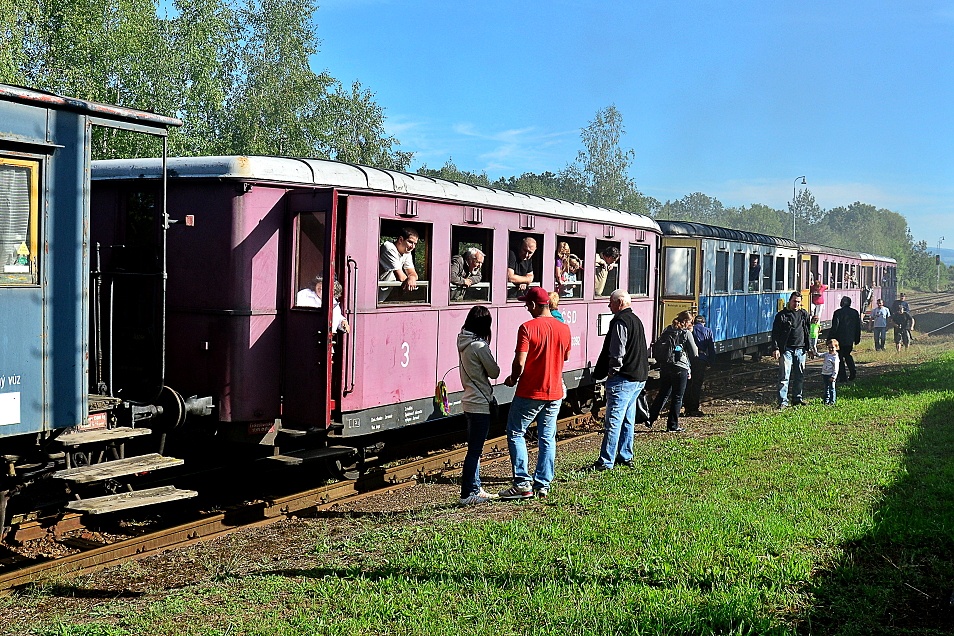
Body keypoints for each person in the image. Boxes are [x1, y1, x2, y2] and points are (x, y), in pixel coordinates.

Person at [499, 287, 572, 500]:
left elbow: (519, 361)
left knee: (515, 432)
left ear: (533, 305)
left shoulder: (527, 328)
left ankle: (522, 483)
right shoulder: (564, 329)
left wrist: (513, 378)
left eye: (526, 305)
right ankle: (543, 484)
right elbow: (565, 357)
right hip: (555, 392)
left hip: (530, 391)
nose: (526, 309)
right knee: (547, 437)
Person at [589, 290, 649, 471]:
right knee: (627, 420)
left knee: (614, 421)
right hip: (638, 378)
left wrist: (612, 372)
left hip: (623, 379)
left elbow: (617, 352)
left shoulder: (620, 322)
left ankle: (606, 461)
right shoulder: (636, 321)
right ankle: (625, 455)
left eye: (611, 302)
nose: (609, 306)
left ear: (620, 302)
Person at [457, 306, 501, 505]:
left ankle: (476, 488)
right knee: (475, 451)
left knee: (474, 449)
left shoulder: (463, 341)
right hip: (480, 403)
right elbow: (494, 372)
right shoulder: (478, 346)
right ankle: (467, 494)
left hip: (469, 401)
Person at [648, 311, 698, 432]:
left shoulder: (667, 330)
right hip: (680, 368)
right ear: (686, 321)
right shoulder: (686, 333)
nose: (691, 324)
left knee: (663, 393)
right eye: (691, 322)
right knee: (677, 397)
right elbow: (694, 352)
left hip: (665, 366)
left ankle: (650, 418)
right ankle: (672, 425)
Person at [771, 291, 814, 409]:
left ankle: (797, 399)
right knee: (784, 377)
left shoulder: (804, 314)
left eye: (799, 302)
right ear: (790, 301)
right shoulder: (782, 315)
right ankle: (783, 402)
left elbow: (807, 332)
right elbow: (775, 333)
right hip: (786, 350)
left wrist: (809, 347)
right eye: (794, 301)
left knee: (799, 375)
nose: (796, 304)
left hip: (801, 350)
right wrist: (776, 348)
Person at [683, 314, 715, 417]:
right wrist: (711, 362)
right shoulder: (708, 331)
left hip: (689, 359)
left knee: (688, 383)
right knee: (697, 384)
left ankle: (687, 406)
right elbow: (711, 348)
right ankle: (694, 407)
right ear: (703, 323)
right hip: (701, 359)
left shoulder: (690, 330)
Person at [379, 227, 419, 301]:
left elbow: (412, 273)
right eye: (410, 242)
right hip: (372, 295)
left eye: (415, 244)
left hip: (384, 297)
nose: (413, 247)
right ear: (401, 239)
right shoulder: (389, 248)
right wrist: (410, 282)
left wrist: (412, 278)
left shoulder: (407, 252)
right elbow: (401, 277)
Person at [830, 296, 861, 383]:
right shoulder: (855, 312)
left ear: (842, 303)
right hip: (849, 339)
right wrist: (857, 338)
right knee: (847, 355)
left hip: (839, 340)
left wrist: (830, 338)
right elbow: (857, 327)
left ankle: (842, 377)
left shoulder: (838, 313)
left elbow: (835, 327)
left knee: (839, 358)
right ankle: (852, 371)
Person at [821, 340, 840, 405]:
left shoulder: (835, 358)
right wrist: (814, 352)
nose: (831, 349)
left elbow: (836, 369)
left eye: (832, 347)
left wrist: (833, 376)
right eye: (829, 347)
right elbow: (820, 355)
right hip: (825, 373)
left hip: (831, 375)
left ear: (836, 348)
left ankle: (832, 401)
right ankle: (826, 400)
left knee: (832, 388)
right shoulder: (827, 354)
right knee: (826, 388)